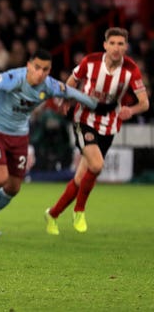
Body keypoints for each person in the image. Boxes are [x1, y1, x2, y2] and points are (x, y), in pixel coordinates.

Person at [0, 49, 116, 235]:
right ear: (29, 65)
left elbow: (73, 93)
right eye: (37, 67)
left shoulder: (50, 86)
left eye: (45, 70)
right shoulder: (13, 78)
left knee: (13, 188)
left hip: (19, 135)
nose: (40, 73)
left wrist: (99, 106)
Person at [44, 27, 149, 235]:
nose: (116, 48)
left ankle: (53, 214)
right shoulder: (90, 62)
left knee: (80, 178)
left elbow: (144, 103)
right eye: (113, 43)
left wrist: (132, 110)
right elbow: (71, 82)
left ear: (126, 47)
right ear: (105, 45)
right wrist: (66, 100)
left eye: (121, 44)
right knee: (97, 165)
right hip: (85, 118)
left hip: (109, 124)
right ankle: (79, 211)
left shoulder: (131, 70)